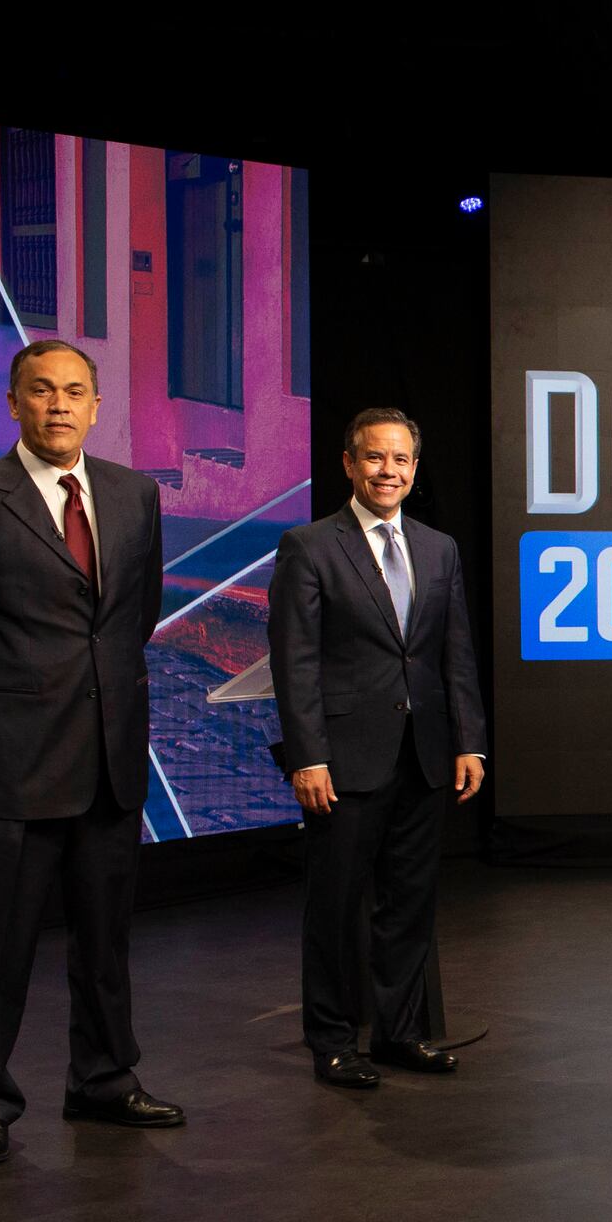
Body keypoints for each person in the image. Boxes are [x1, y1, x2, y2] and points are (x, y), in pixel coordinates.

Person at [0, 339, 184, 1167]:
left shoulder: (136, 495)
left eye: (75, 392)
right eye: (41, 391)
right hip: (12, 768)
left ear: (96, 407)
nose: (59, 405)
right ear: (14, 404)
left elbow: (133, 616)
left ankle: (103, 1078)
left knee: (105, 944)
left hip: (111, 763)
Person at [269, 408, 488, 1089]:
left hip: (423, 754)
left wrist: (469, 741)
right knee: (335, 907)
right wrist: (308, 755)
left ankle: (401, 1033)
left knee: (410, 903)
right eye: (374, 458)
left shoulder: (438, 547)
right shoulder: (309, 546)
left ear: (414, 469)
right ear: (348, 464)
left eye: (400, 460)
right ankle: (332, 1040)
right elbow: (295, 660)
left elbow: (455, 653)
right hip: (342, 761)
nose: (387, 470)